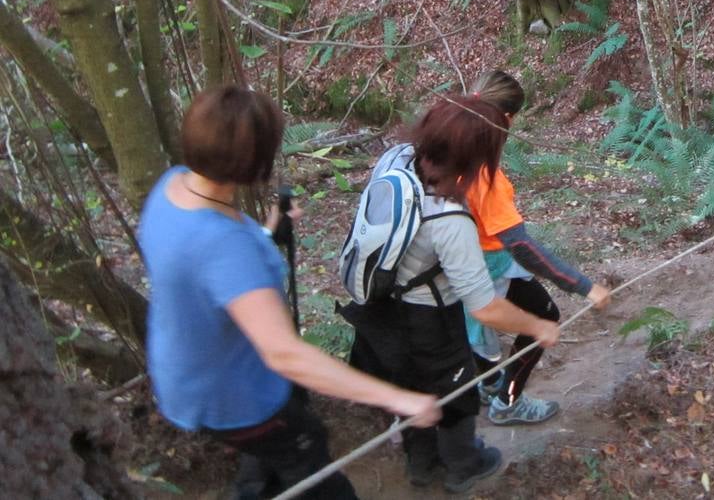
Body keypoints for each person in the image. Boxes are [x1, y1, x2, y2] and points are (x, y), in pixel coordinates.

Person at [138, 85, 440, 500]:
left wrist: (264, 233)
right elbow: (285, 353)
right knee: (308, 461)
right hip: (233, 393)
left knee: (269, 460)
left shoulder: (171, 188)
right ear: (255, 164)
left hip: (186, 375)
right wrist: (399, 399)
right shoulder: (227, 246)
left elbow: (201, 269)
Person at [337, 96, 560, 494]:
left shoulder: (398, 160)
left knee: (415, 390)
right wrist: (537, 325)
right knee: (455, 393)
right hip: (432, 320)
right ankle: (464, 465)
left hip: (386, 312)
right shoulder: (448, 216)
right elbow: (485, 307)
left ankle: (422, 465)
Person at [465, 70, 612, 426]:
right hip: (484, 267)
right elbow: (521, 246)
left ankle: (486, 384)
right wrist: (584, 286)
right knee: (542, 317)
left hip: (456, 263)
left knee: (474, 330)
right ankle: (507, 402)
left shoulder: (447, 146)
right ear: (509, 119)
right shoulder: (484, 176)